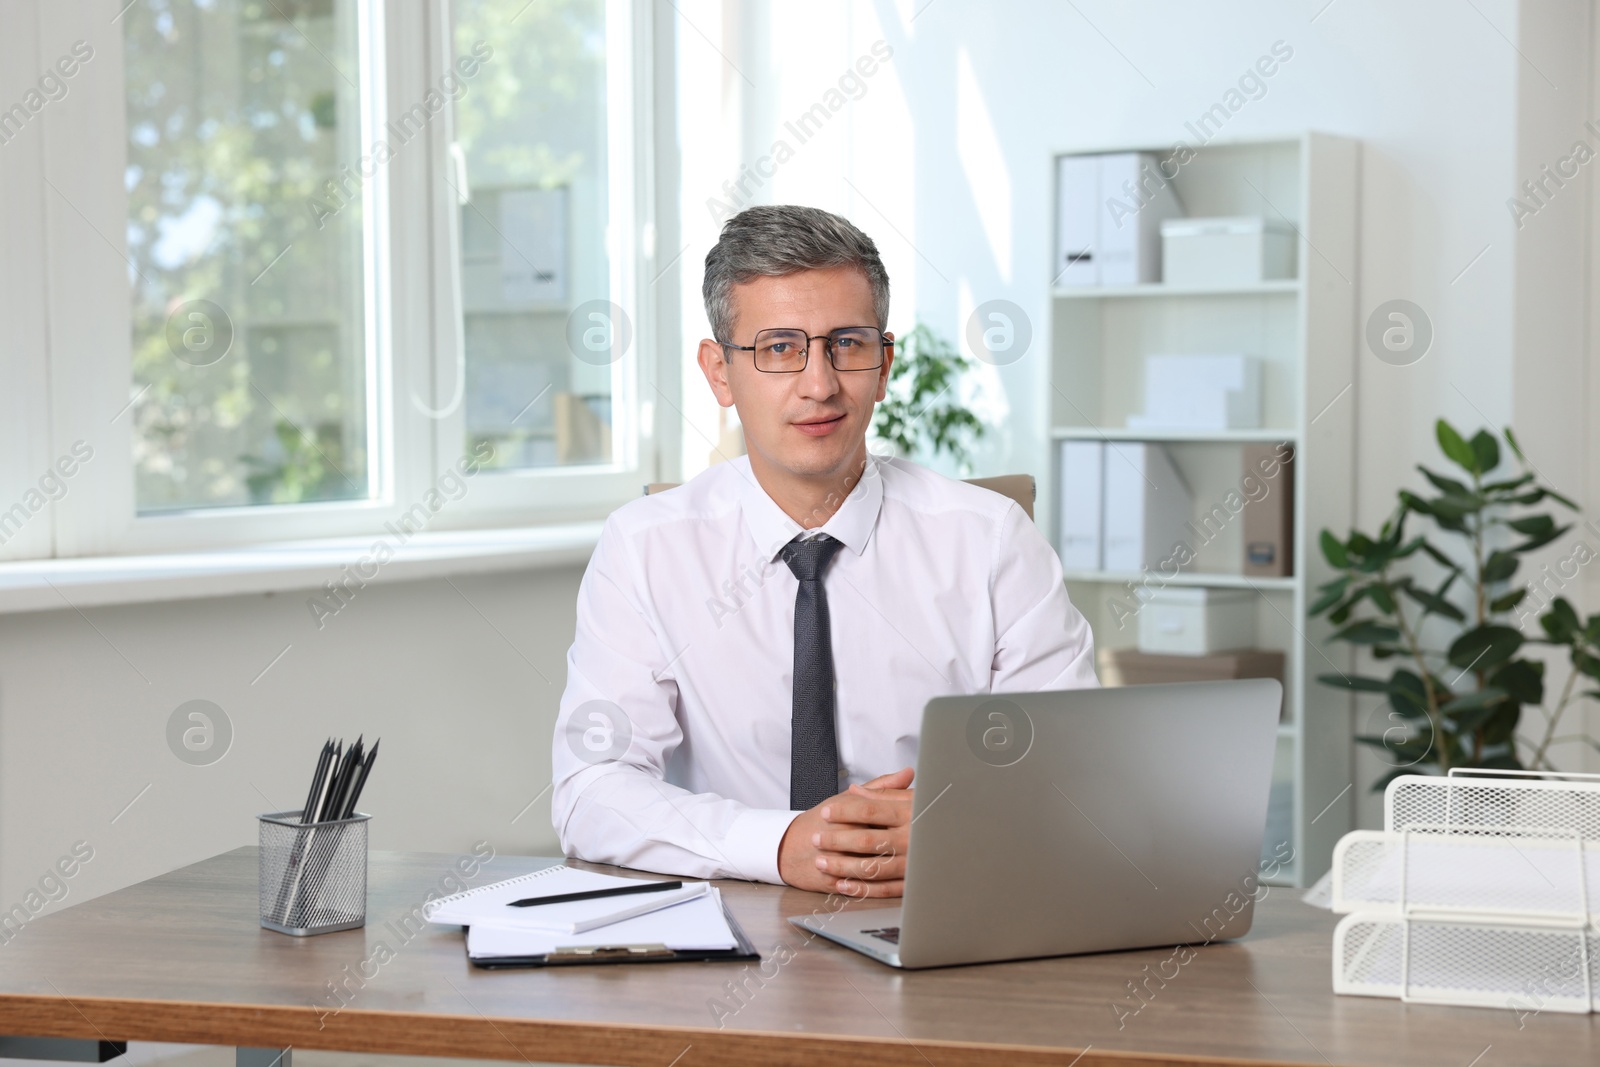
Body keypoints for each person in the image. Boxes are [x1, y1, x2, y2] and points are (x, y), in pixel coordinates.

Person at [551, 204, 1096, 898]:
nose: (820, 383)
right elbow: (590, 790)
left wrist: (947, 822)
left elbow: (1071, 772)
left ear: (886, 362)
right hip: (731, 928)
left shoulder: (991, 541)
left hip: (939, 912)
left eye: (847, 343)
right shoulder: (645, 548)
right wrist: (778, 844)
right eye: (780, 348)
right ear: (720, 372)